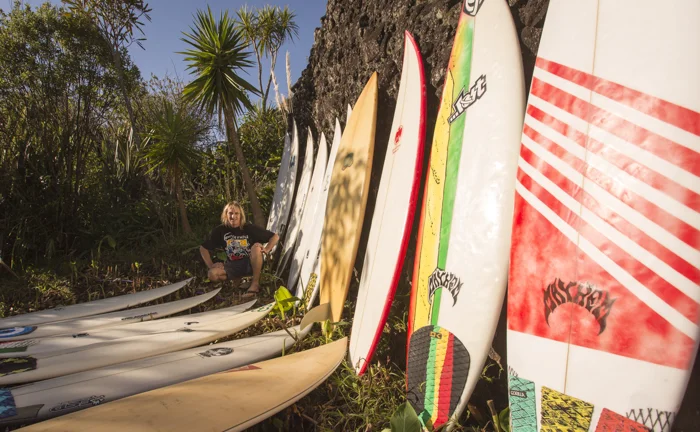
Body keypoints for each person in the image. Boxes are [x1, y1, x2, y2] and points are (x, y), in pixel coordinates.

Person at [200, 201, 278, 298]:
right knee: (212, 274)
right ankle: (237, 280)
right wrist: (211, 265)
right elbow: (203, 248)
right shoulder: (220, 230)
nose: (233, 216)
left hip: (250, 263)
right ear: (226, 214)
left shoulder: (248, 228)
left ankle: (255, 284)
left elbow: (275, 237)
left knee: (257, 247)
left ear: (241, 215)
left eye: (236, 213)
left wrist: (266, 249)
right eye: (230, 213)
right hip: (232, 265)